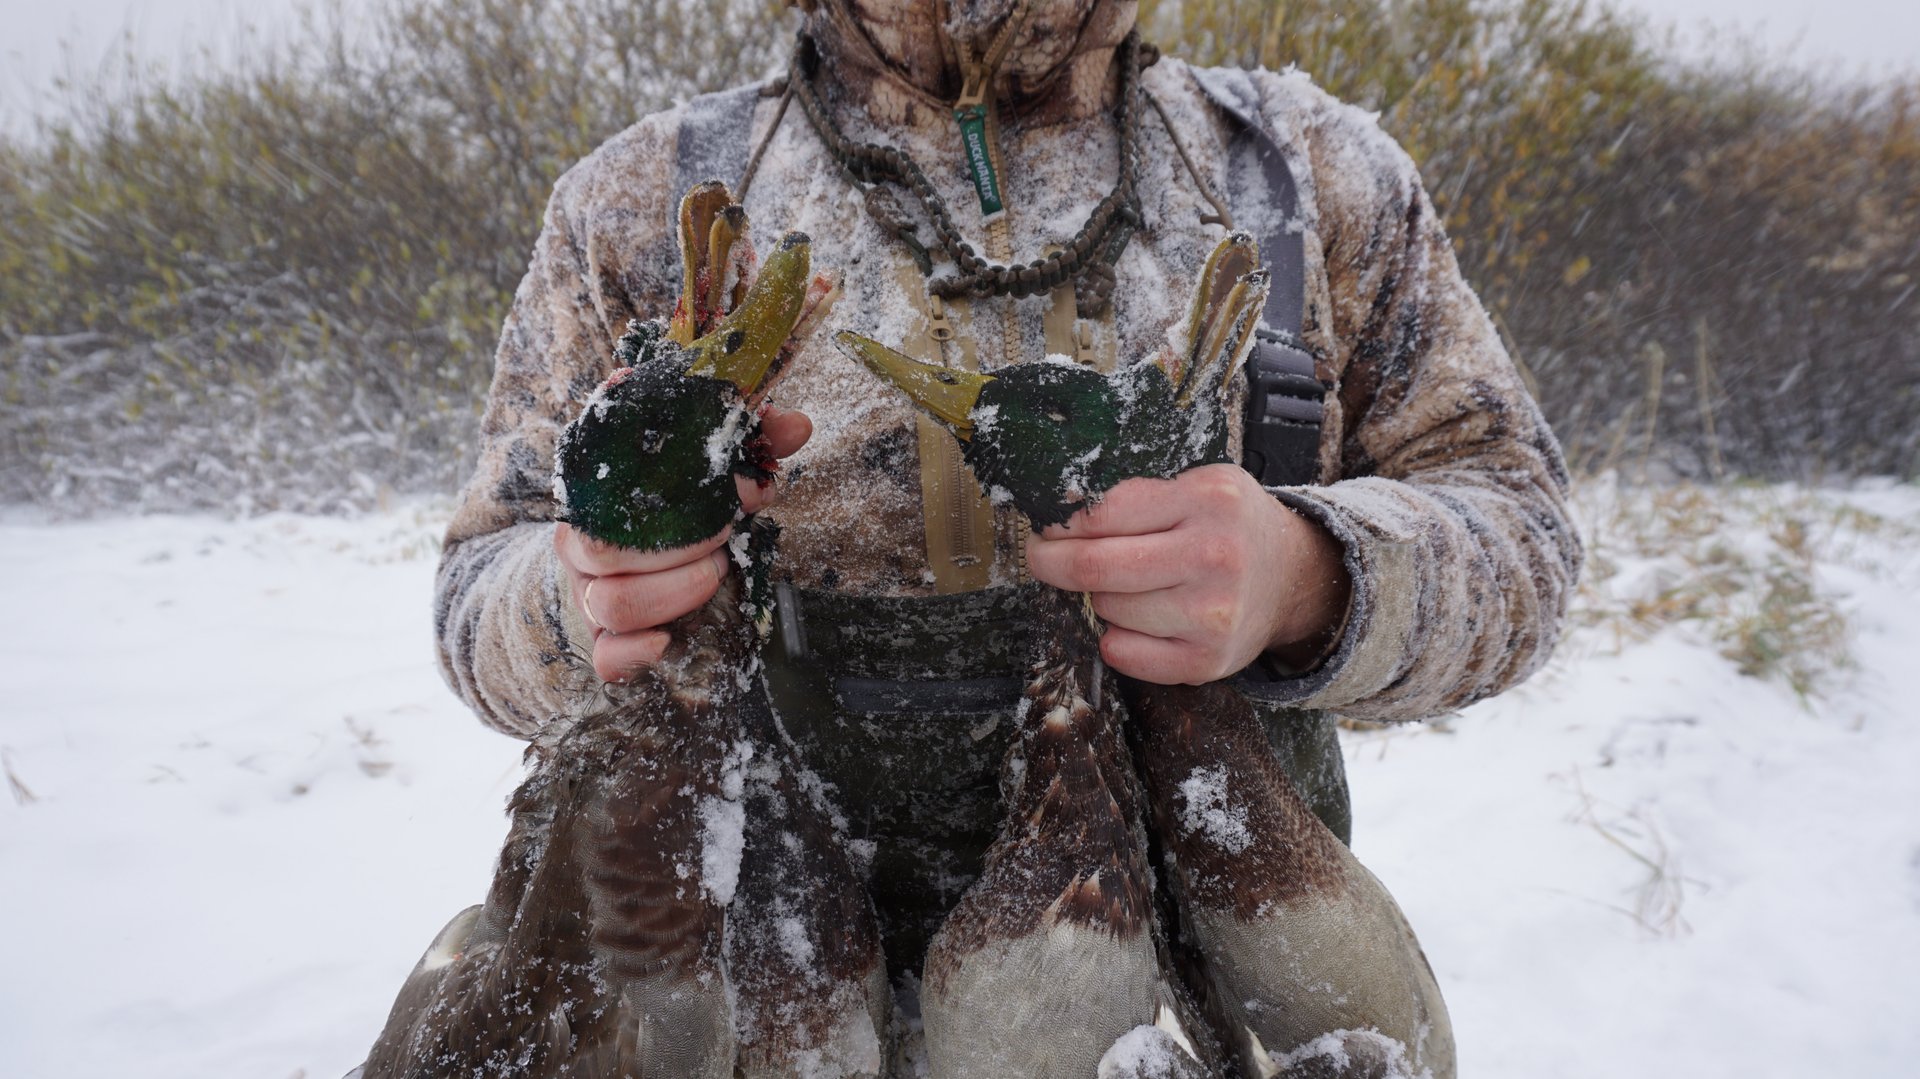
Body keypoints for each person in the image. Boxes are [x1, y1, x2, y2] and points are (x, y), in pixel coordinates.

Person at [432, 0, 1581, 1066]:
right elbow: (477, 591)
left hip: (1211, 1000)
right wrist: (585, 597)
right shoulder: (637, 201)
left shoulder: (1300, 173)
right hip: (740, 1001)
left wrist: (1309, 574)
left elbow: (1521, 527)